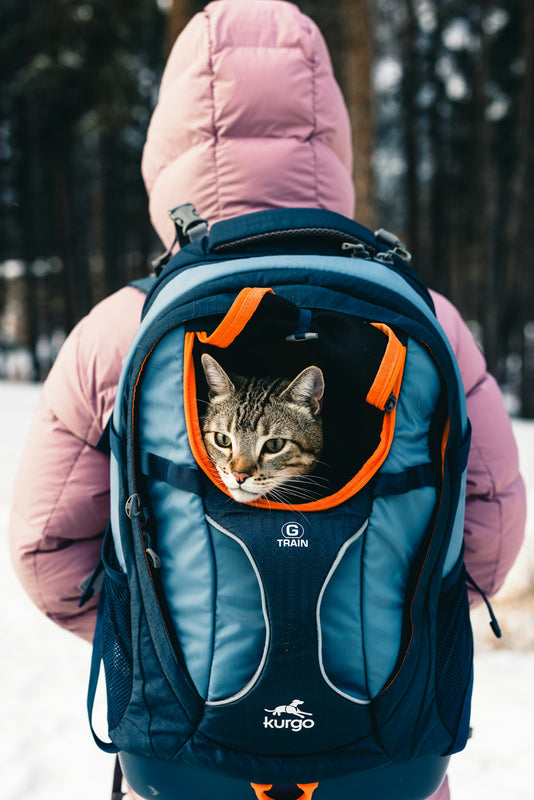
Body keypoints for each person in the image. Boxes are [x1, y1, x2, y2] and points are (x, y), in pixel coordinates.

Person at [8, 2, 526, 799]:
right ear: (333, 143)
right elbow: (490, 529)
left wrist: (157, 635)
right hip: (385, 751)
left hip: (186, 753)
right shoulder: (431, 317)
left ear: (167, 145)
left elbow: (46, 552)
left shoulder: (119, 325)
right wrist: (403, 622)